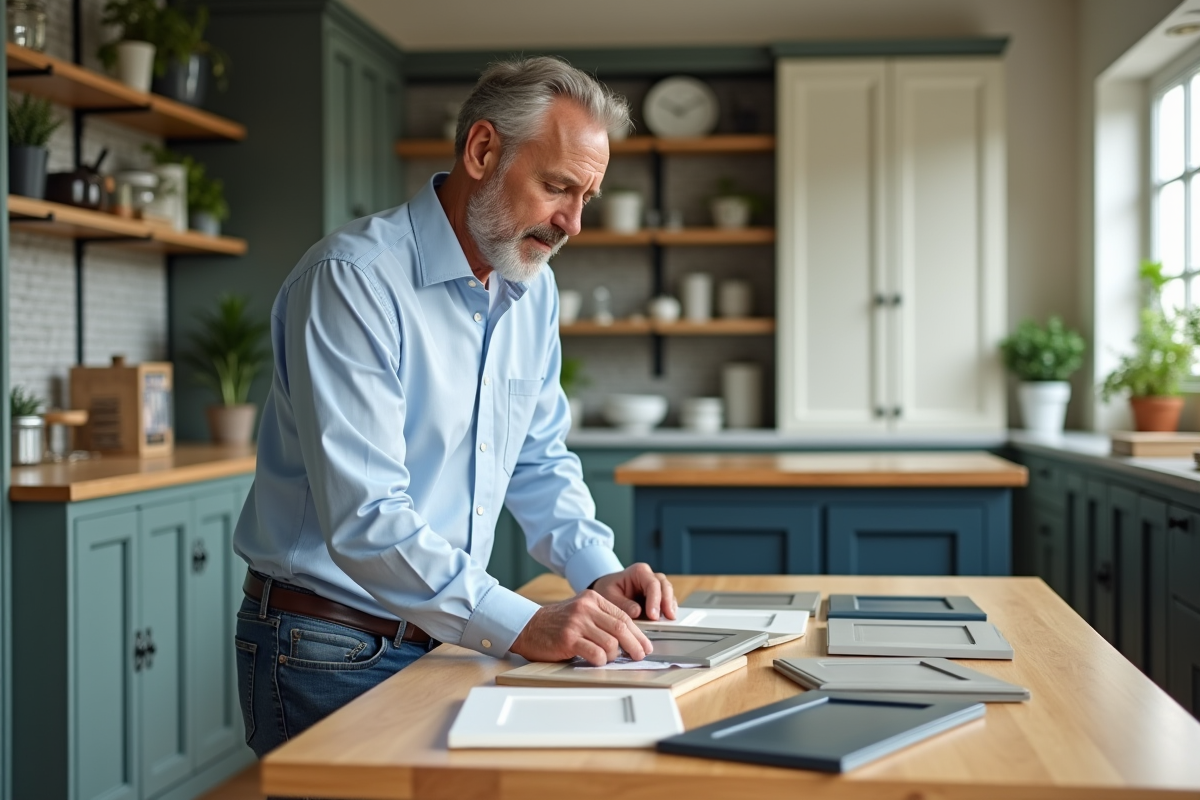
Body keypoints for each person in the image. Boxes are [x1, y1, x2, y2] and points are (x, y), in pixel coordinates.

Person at [232, 56, 678, 758]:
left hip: (448, 637)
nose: (574, 223)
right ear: (482, 150)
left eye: (587, 196)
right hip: (324, 647)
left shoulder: (531, 286)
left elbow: (537, 456)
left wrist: (597, 570)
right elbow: (366, 516)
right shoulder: (352, 281)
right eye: (559, 187)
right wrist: (523, 622)